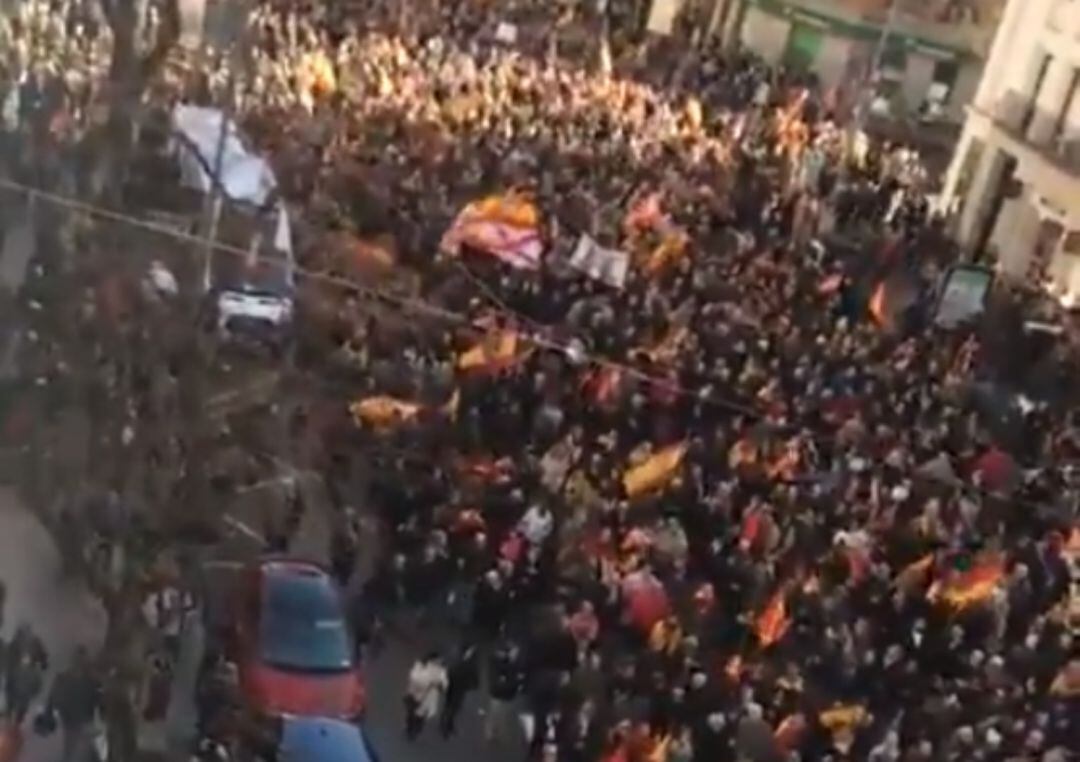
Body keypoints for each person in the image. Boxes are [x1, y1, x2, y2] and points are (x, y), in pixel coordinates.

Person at [47, 646, 100, 762]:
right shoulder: (90, 680)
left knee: (71, 741)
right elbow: (97, 700)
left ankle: (67, 757)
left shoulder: (65, 677)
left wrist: (50, 709)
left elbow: (53, 695)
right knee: (73, 741)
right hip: (76, 717)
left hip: (73, 716)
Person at [4, 624, 47, 724]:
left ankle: (15, 722)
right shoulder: (17, 642)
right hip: (17, 673)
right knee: (12, 694)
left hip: (27, 674)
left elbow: (43, 656)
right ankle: (10, 719)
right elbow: (8, 655)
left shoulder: (35, 642)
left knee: (21, 699)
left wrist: (42, 663)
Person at [485, 637, 525, 745]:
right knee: (497, 714)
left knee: (499, 714)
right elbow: (502, 679)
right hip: (501, 693)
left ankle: (494, 733)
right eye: (515, 652)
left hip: (504, 693)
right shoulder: (501, 663)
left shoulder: (510, 662)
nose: (516, 654)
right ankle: (494, 734)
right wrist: (517, 682)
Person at [440, 640, 480, 738]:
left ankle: (447, 724)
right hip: (455, 684)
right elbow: (450, 669)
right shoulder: (459, 658)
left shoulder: (469, 659)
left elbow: (474, 672)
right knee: (452, 706)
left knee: (453, 706)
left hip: (460, 686)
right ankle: (445, 726)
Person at [404, 651, 447, 741]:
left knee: (420, 715)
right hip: (415, 693)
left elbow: (444, 684)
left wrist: (439, 685)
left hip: (428, 697)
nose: (438, 662)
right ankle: (410, 727)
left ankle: (415, 731)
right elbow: (413, 676)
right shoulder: (421, 665)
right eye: (437, 660)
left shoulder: (441, 671)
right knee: (411, 713)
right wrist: (428, 682)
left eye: (440, 660)